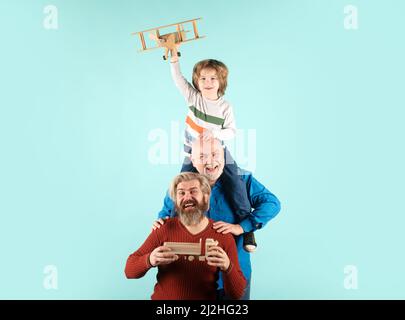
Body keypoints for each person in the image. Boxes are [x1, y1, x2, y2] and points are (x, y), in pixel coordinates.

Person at [154, 137, 281, 300]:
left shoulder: (243, 180)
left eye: (215, 154)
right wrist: (161, 222)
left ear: (224, 155)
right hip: (194, 277)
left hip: (235, 272)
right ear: (192, 159)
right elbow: (166, 212)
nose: (210, 162)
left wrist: (243, 226)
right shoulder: (182, 185)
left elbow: (272, 203)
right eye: (202, 157)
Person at [169, 52, 257, 251]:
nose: (207, 82)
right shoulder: (193, 97)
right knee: (180, 185)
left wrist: (214, 132)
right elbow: (178, 80)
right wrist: (174, 59)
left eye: (213, 78)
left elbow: (232, 131)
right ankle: (172, 224)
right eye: (203, 78)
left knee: (235, 181)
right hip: (194, 153)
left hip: (218, 153)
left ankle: (247, 229)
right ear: (197, 82)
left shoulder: (225, 107)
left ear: (221, 82)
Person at [125, 172, 246, 300]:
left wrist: (228, 266)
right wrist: (149, 259)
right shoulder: (163, 228)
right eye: (181, 193)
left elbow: (237, 294)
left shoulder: (222, 235)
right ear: (176, 201)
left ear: (206, 197)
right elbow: (129, 270)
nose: (187, 197)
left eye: (193, 191)